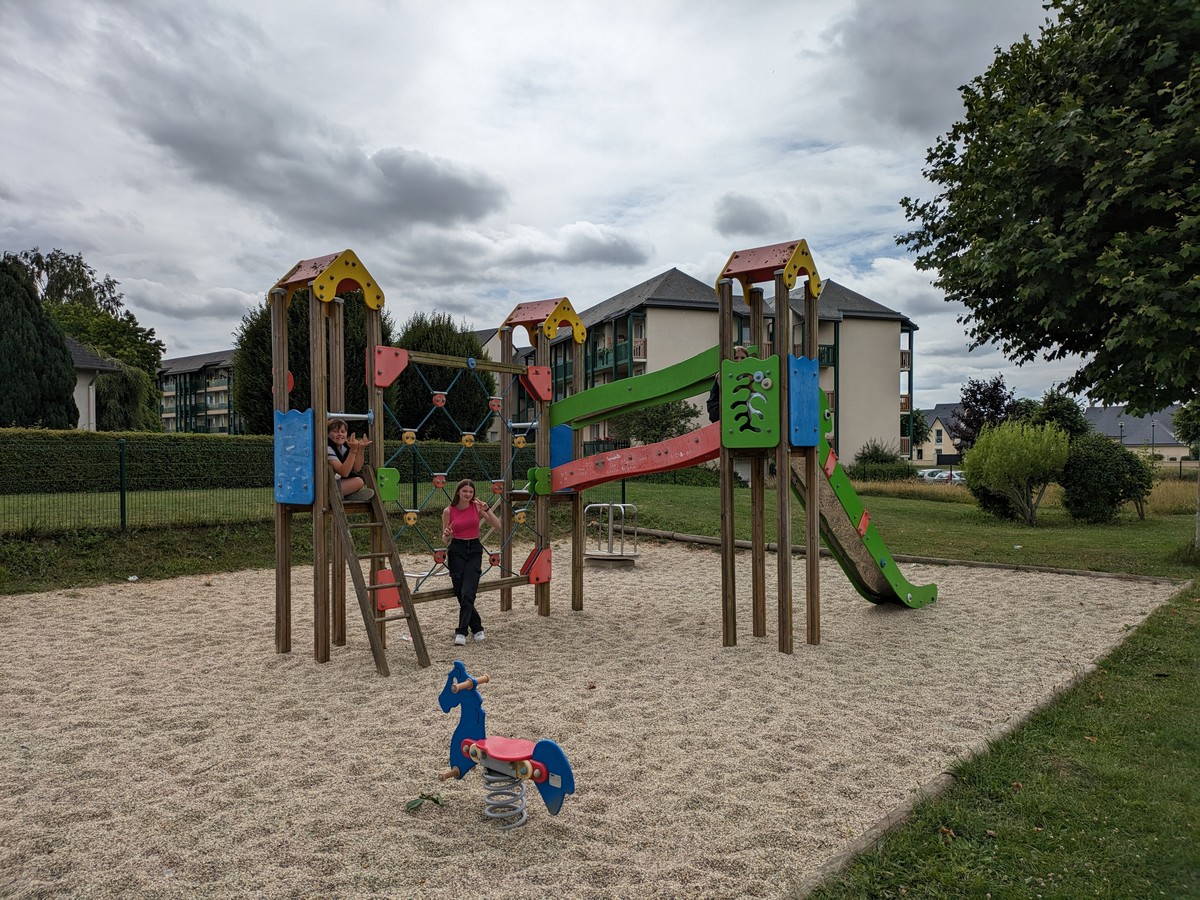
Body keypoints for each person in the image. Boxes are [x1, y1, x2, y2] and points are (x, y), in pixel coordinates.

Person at [441, 478, 502, 646]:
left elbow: (498, 525)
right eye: (465, 491)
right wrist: (447, 534)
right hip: (457, 550)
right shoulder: (449, 511)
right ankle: (476, 627)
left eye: (471, 492)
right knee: (461, 591)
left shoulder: (476, 507)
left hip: (474, 549)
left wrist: (487, 510)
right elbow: (444, 540)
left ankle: (461, 631)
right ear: (458, 492)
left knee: (469, 591)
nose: (468, 494)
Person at [326, 418, 374, 502]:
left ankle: (346, 495)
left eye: (343, 431)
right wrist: (353, 450)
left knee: (359, 481)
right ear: (327, 434)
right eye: (335, 431)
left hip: (336, 482)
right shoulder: (327, 448)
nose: (340, 434)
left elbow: (357, 468)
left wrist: (360, 450)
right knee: (358, 482)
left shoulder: (345, 447)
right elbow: (344, 472)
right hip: (325, 486)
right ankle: (337, 495)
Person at [707, 345, 749, 423]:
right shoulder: (722, 377)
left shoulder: (750, 378)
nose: (739, 360)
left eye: (743, 358)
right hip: (725, 417)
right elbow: (713, 405)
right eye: (736, 358)